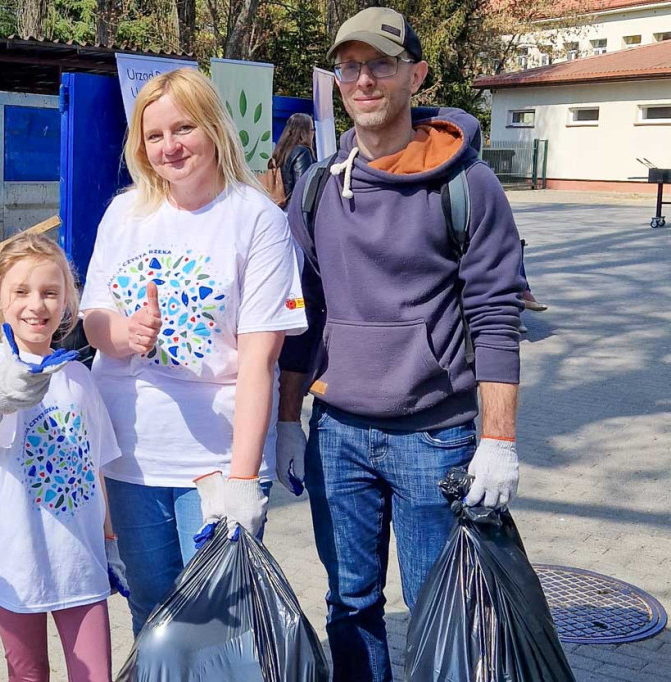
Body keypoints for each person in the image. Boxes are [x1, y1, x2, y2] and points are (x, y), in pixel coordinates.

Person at [275, 8, 526, 681]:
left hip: (434, 436)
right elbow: (303, 314)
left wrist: (497, 440)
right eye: (349, 66)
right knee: (350, 605)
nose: (362, 78)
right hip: (337, 437)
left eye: (379, 63)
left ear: (415, 74)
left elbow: (497, 317)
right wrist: (286, 422)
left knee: (439, 608)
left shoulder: (466, 184)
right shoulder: (317, 187)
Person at [80, 67, 308, 634]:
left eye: (183, 128)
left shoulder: (257, 220)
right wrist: (124, 334)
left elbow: (260, 361)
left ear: (213, 129)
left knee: (220, 621)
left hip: (215, 460)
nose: (169, 147)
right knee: (152, 616)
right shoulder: (123, 214)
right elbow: (93, 322)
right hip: (131, 453)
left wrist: (242, 477)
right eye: (153, 136)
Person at [0, 233, 128, 682]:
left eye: (50, 293)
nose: (36, 304)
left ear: (66, 303)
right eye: (21, 291)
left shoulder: (78, 374)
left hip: (81, 562)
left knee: (94, 675)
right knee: (28, 674)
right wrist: (5, 390)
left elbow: (98, 466)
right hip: (14, 561)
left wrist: (112, 544)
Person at [271, 113, 317, 203]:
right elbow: (302, 186)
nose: (313, 133)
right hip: (294, 205)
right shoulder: (302, 152)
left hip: (279, 202)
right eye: (312, 129)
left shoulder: (280, 150)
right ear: (305, 132)